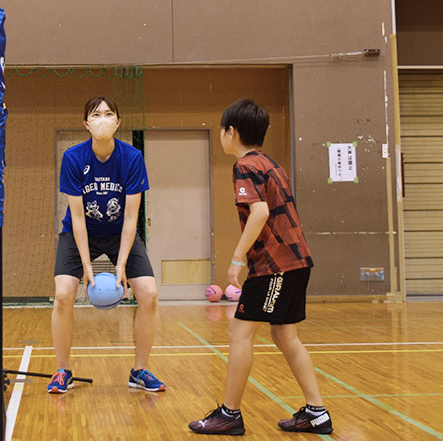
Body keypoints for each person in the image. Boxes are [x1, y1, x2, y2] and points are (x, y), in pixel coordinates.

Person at [189, 99, 331, 435]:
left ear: (231, 132)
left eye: (222, 129)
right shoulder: (271, 164)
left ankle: (229, 414)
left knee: (240, 332)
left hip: (274, 265)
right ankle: (317, 412)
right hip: (297, 262)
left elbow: (260, 212)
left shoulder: (246, 166)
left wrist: (237, 259)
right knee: (285, 335)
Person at [48, 96, 165, 394]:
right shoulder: (74, 158)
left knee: (149, 294)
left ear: (118, 122)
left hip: (118, 233)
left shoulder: (132, 158)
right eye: (96, 114)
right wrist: (87, 268)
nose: (103, 119)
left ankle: (140, 370)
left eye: (109, 113)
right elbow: (76, 217)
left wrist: (121, 264)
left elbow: (130, 218)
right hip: (79, 232)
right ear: (86, 124)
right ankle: (63, 371)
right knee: (63, 295)